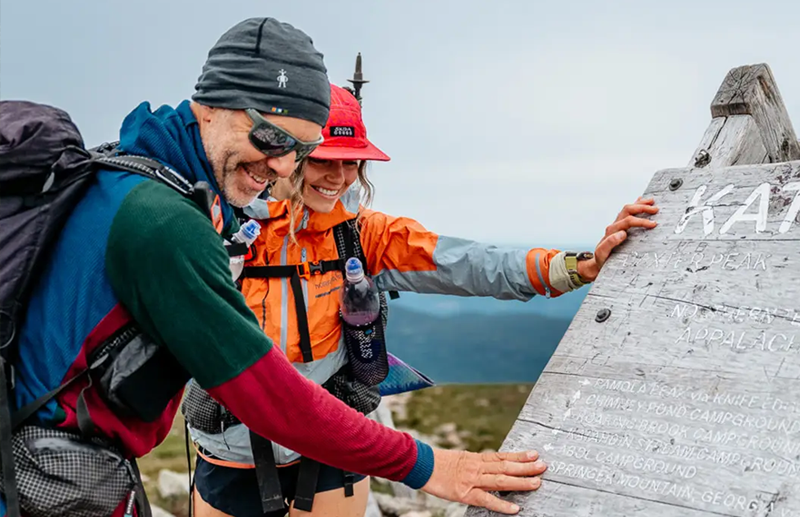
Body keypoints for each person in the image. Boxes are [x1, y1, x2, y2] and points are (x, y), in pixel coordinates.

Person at [0, 18, 553, 517]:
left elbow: (459, 260)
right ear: (209, 105)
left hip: (52, 469)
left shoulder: (131, 178)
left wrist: (567, 269)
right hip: (55, 483)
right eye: (272, 137)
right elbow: (271, 396)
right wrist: (430, 467)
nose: (284, 164)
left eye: (303, 148)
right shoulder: (165, 222)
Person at [183, 83, 660, 517]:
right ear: (288, 154)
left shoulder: (361, 235)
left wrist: (578, 266)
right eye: (326, 158)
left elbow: (469, 263)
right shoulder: (220, 229)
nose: (341, 176)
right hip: (236, 449)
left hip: (334, 442)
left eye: (353, 161)